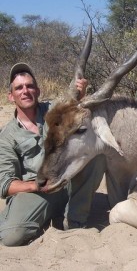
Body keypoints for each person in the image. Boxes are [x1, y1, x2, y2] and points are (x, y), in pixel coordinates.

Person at [0, 63, 103, 246]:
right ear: (10, 96)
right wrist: (37, 186)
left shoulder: (53, 109)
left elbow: (75, 109)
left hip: (66, 180)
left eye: (30, 86)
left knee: (96, 152)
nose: (25, 91)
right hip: (39, 191)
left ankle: (75, 222)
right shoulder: (6, 136)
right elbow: (5, 184)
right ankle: (52, 211)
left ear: (38, 91)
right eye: (19, 88)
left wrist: (81, 92)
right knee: (10, 236)